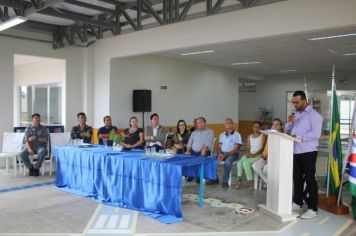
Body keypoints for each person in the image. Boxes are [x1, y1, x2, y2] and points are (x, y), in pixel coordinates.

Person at [285, 90, 323, 219]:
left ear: (304, 100)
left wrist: (299, 137)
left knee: (310, 179)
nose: (295, 105)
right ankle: (298, 202)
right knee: (297, 178)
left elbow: (316, 134)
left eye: (297, 102)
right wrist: (289, 122)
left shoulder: (315, 115)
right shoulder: (296, 114)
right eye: (293, 102)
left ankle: (313, 208)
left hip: (308, 151)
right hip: (296, 151)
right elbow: (287, 131)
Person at [206, 118, 242, 187]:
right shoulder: (222, 135)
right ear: (224, 125)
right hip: (222, 153)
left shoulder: (237, 135)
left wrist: (225, 155)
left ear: (233, 124)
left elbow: (235, 149)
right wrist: (220, 153)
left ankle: (225, 181)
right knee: (210, 159)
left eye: (230, 123)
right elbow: (219, 147)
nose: (228, 124)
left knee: (227, 163)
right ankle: (214, 179)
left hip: (233, 154)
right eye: (226, 123)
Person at [235, 121, 267, 190]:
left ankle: (250, 182)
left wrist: (254, 154)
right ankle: (239, 180)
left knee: (246, 163)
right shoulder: (249, 136)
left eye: (257, 127)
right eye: (254, 127)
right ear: (252, 128)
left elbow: (262, 148)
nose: (256, 128)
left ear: (260, 128)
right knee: (239, 163)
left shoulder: (263, 135)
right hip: (251, 153)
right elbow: (248, 147)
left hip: (258, 154)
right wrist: (247, 153)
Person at [252, 118, 284, 186]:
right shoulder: (270, 135)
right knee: (255, 165)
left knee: (266, 169)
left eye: (277, 124)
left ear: (281, 126)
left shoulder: (283, 136)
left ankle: (273, 183)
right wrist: (264, 156)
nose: (275, 126)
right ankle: (267, 181)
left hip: (275, 159)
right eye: (274, 124)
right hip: (266, 157)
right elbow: (266, 148)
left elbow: (279, 151)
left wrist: (269, 158)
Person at [185, 117, 215, 183]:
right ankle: (190, 174)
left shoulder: (210, 131)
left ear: (205, 123)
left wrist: (204, 148)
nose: (200, 124)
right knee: (187, 158)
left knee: (200, 158)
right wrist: (188, 150)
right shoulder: (194, 133)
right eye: (198, 123)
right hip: (194, 151)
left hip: (205, 151)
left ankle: (200, 176)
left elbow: (209, 141)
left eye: (201, 122)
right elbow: (189, 142)